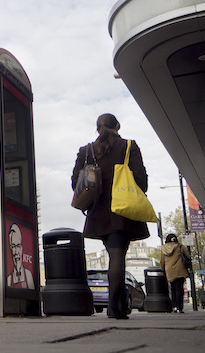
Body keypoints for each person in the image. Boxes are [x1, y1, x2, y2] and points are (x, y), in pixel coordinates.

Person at [72, 113, 150, 319]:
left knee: (113, 254)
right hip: (122, 209)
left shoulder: (86, 150)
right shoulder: (129, 146)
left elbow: (75, 182)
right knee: (117, 255)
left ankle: (120, 303)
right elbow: (141, 181)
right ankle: (114, 307)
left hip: (98, 210)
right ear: (118, 126)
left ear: (97, 129)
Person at [160, 233, 191, 313]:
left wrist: (163, 269)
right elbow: (188, 256)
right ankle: (180, 307)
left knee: (173, 289)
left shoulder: (163, 248)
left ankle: (174, 306)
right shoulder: (180, 246)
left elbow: (162, 261)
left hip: (169, 270)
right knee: (179, 289)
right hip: (180, 270)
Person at [7, 223, 35, 289]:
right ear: (10, 249)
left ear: (22, 248)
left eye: (18, 246)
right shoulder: (8, 279)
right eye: (13, 246)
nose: (16, 252)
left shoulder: (28, 275)